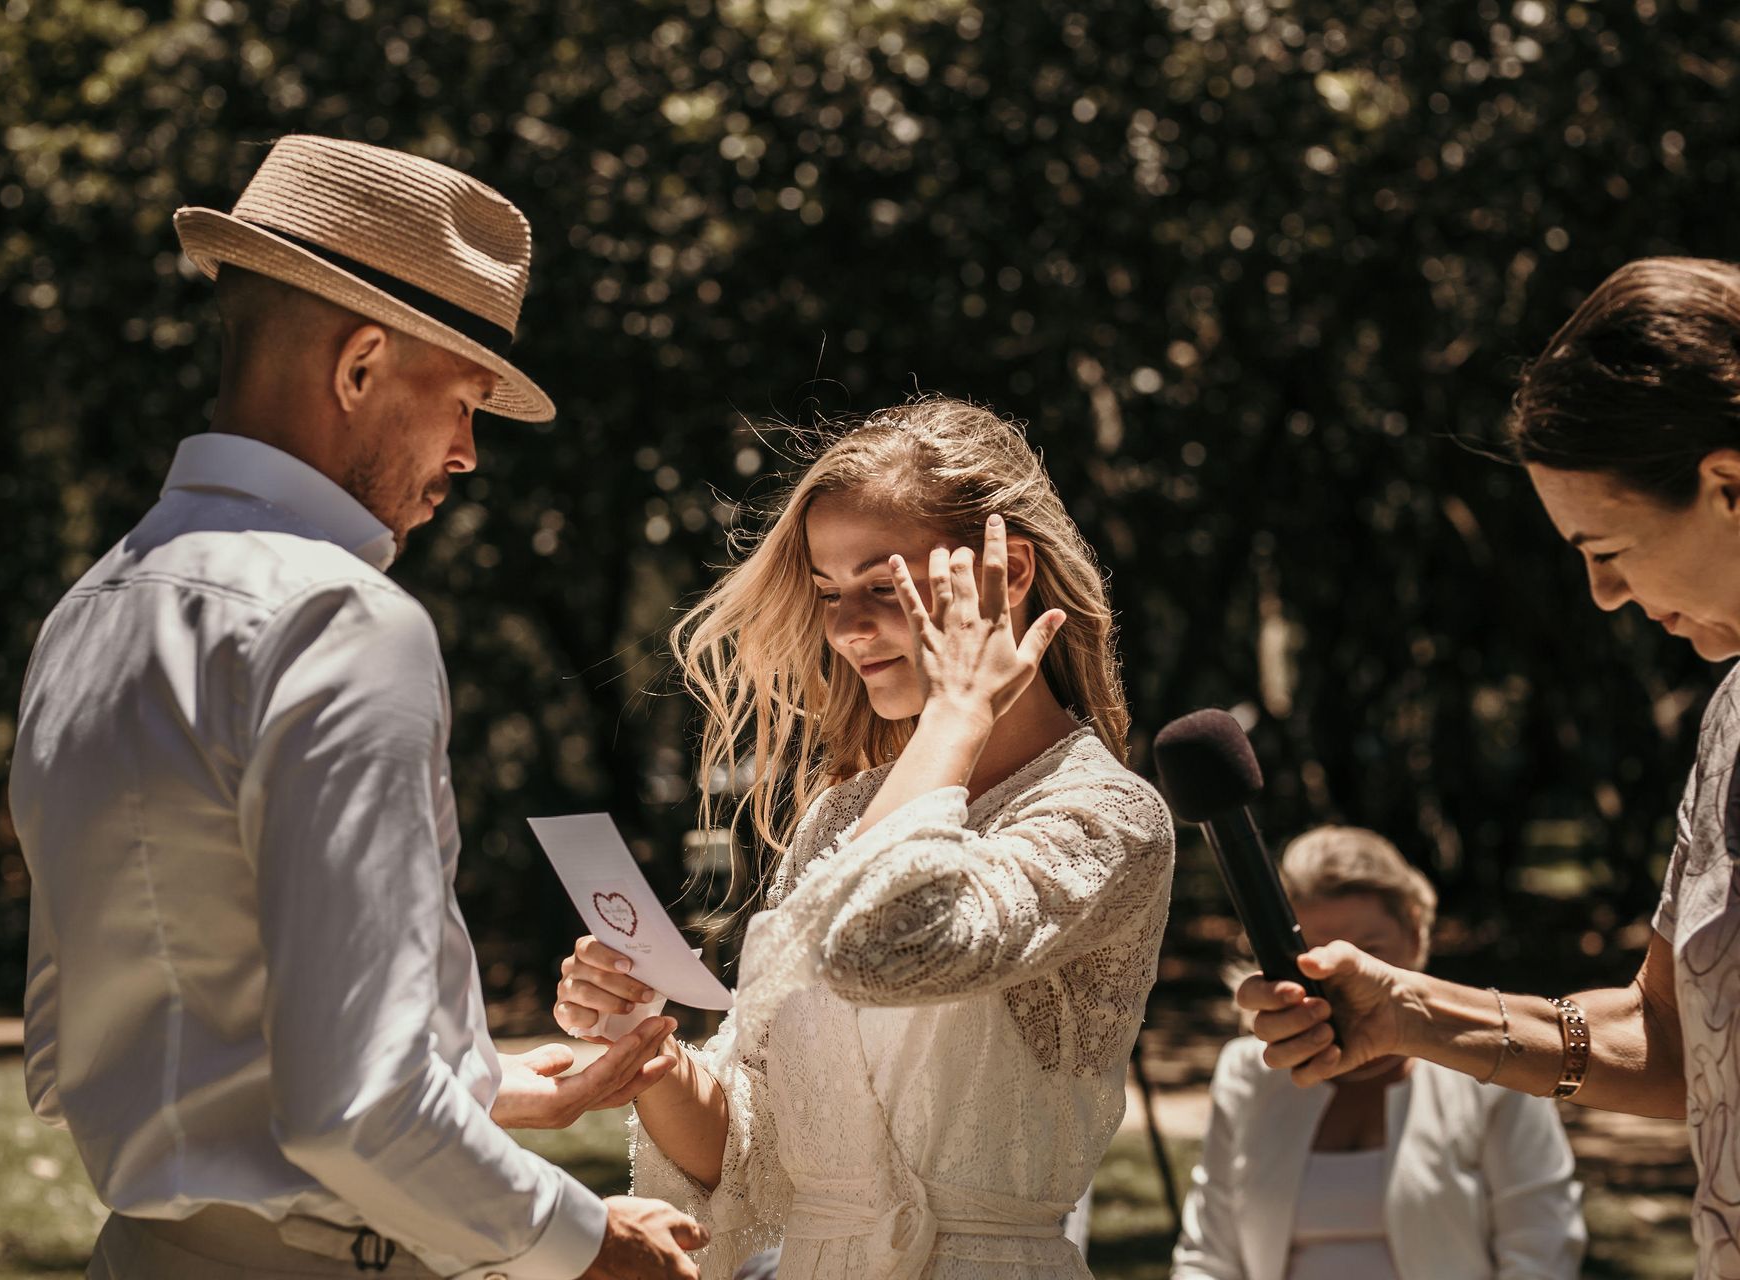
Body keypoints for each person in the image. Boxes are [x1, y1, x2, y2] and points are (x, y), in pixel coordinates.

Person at [10, 135, 705, 1280]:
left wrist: (478, 1076)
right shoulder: (342, 618)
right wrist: (593, 1241)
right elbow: (356, 1112)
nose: (469, 455)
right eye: (465, 402)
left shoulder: (92, 603)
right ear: (361, 363)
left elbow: (89, 1040)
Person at [554, 398, 1178, 1279]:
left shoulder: (1108, 816)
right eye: (828, 593)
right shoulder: (844, 819)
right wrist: (642, 1049)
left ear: (1009, 575)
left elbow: (878, 945)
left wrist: (961, 710)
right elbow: (749, 1153)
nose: (847, 630)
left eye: (884, 589)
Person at [1235, 256, 1740, 1280]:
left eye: (1609, 546)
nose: (1602, 593)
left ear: (1729, 483)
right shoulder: (1732, 717)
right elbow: (1676, 1040)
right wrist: (1410, 1012)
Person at [1172, 826, 1584, 1280]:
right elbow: (1208, 1259)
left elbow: (1542, 1253)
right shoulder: (1249, 1071)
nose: (1346, 978)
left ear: (1413, 935)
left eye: (1369, 952)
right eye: (1313, 960)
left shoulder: (1495, 1066)